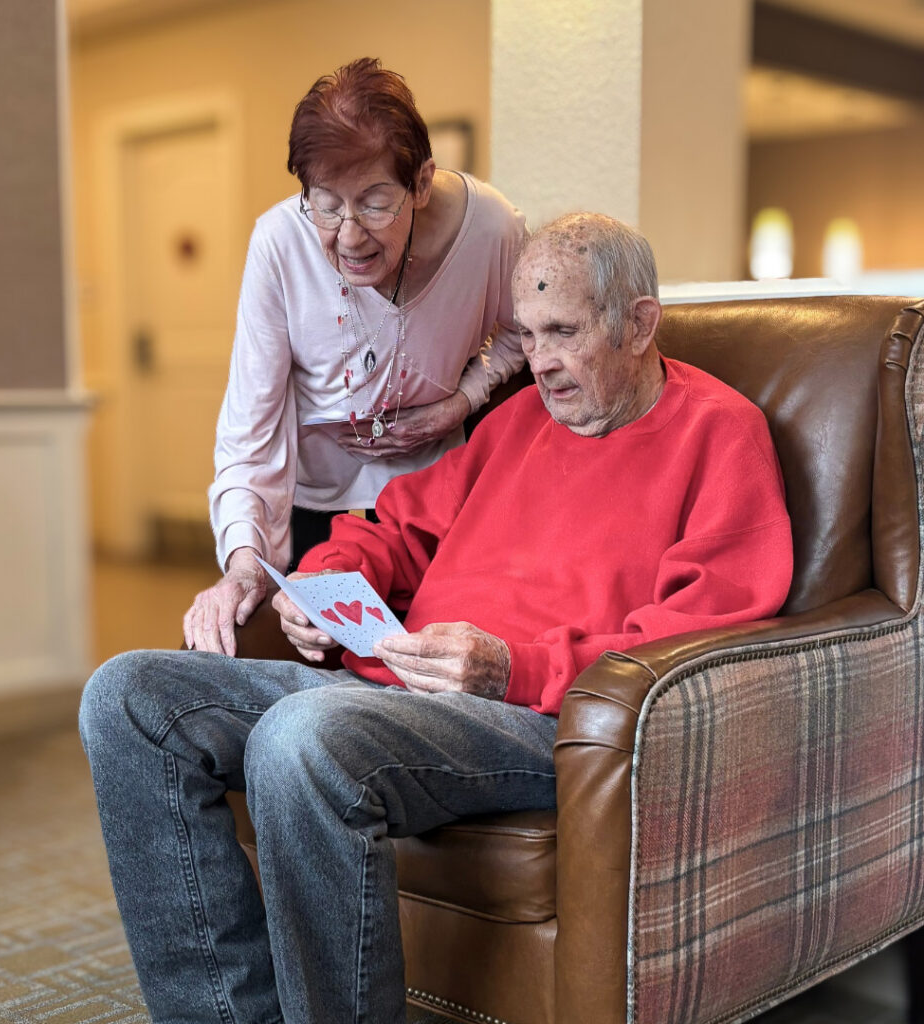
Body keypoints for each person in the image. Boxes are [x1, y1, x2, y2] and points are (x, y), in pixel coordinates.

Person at [80, 212, 794, 1024]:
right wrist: (322, 584)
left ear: (639, 324)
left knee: (303, 736)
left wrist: (514, 666)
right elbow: (393, 527)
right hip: (395, 686)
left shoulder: (719, 434)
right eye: (527, 335)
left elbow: (703, 639)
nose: (542, 365)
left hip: (536, 719)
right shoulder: (517, 421)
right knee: (128, 698)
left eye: (562, 332)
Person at [184, 58, 527, 656]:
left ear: (420, 183)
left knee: (415, 687)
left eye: (374, 202)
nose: (348, 235)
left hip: (436, 510)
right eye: (326, 204)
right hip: (319, 512)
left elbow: (523, 333)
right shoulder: (279, 244)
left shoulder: (490, 229)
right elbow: (250, 429)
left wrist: (461, 402)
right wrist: (242, 563)